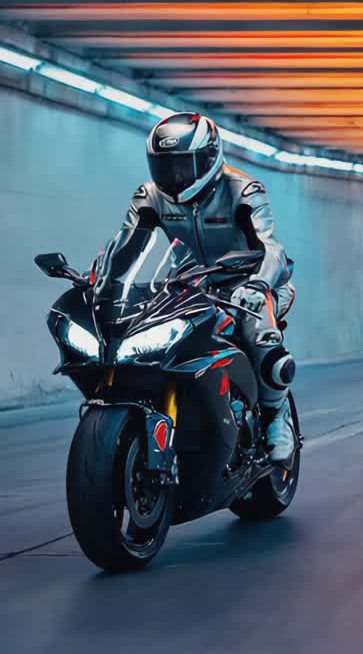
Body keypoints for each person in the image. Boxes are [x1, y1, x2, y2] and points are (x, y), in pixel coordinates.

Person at [122, 112, 298, 463]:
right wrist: (109, 283)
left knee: (261, 337)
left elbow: (271, 247)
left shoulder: (244, 190)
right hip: (190, 284)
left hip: (252, 282)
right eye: (166, 167)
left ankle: (276, 418)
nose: (174, 177)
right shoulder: (150, 196)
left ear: (209, 157)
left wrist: (258, 281)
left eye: (184, 166)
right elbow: (127, 245)